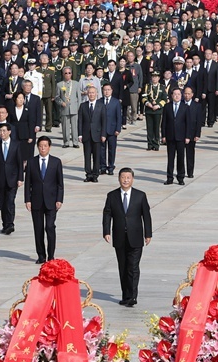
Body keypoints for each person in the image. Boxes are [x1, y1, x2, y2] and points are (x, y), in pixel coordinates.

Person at [102, 167, 152, 307]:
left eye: (128, 177)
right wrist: (106, 231)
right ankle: (125, 296)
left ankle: (133, 296)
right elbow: (107, 214)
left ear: (132, 179)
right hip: (119, 237)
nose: (125, 180)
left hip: (135, 237)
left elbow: (146, 216)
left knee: (133, 267)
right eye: (123, 177)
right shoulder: (112, 196)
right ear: (119, 179)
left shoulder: (140, 195)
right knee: (123, 267)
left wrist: (148, 234)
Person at [24, 136, 64, 263]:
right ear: (37, 147)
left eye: (45, 146)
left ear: (49, 147)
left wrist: (59, 199)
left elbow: (60, 183)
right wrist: (27, 200)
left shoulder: (56, 162)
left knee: (50, 227)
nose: (43, 148)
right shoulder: (31, 162)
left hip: (51, 201)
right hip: (36, 200)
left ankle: (51, 255)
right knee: (38, 228)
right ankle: (41, 255)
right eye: (40, 146)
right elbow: (27, 183)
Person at [0, 123, 24, 235]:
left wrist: (20, 178)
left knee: (10, 202)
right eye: (0, 131)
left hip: (12, 178)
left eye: (4, 131)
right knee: (3, 203)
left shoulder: (16, 145)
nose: (2, 133)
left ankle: (10, 224)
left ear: (9, 132)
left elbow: (20, 163)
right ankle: (5, 224)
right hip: (0, 179)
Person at [161, 87, 193, 185]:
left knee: (180, 158)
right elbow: (164, 122)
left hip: (181, 137)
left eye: (179, 94)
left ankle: (180, 177)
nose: (177, 96)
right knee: (170, 158)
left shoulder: (185, 107)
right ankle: (169, 177)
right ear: (171, 96)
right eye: (175, 94)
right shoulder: (167, 107)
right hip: (170, 136)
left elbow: (188, 123)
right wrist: (163, 135)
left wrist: (188, 136)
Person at [78, 84, 106, 183]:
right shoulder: (83, 105)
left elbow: (104, 121)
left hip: (97, 135)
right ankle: (88, 174)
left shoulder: (101, 106)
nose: (91, 94)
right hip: (86, 135)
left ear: (96, 94)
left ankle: (95, 175)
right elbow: (80, 121)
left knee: (96, 156)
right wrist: (80, 134)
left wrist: (103, 134)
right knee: (87, 156)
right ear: (87, 94)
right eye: (89, 93)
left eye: (93, 93)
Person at [55, 67, 82, 149]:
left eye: (69, 73)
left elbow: (79, 97)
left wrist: (79, 108)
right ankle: (66, 142)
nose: (67, 74)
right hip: (64, 108)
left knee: (75, 126)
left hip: (74, 108)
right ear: (63, 74)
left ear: (71, 74)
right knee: (65, 127)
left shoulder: (76, 84)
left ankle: (75, 142)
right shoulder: (59, 84)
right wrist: (61, 102)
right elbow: (57, 97)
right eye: (66, 73)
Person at [99, 83, 122, 176]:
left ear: (112, 91)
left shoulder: (116, 102)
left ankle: (111, 166)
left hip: (112, 129)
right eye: (105, 90)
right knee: (101, 149)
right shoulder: (99, 101)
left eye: (108, 90)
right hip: (101, 130)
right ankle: (102, 167)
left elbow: (119, 117)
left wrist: (118, 129)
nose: (107, 92)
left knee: (112, 149)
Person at [141, 73, 167, 151]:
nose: (154, 78)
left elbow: (165, 99)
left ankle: (156, 144)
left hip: (158, 111)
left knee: (156, 128)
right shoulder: (147, 86)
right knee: (149, 128)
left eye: (156, 77)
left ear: (159, 78)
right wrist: (147, 103)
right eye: (153, 77)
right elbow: (143, 97)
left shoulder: (162, 87)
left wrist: (158, 105)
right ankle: (150, 144)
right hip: (149, 110)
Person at [182, 86, 202, 178]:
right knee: (181, 154)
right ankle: (181, 172)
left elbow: (199, 121)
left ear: (192, 95)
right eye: (185, 93)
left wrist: (197, 134)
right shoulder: (181, 104)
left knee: (190, 153)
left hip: (192, 133)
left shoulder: (197, 106)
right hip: (181, 133)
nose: (187, 95)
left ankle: (190, 172)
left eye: (189, 94)